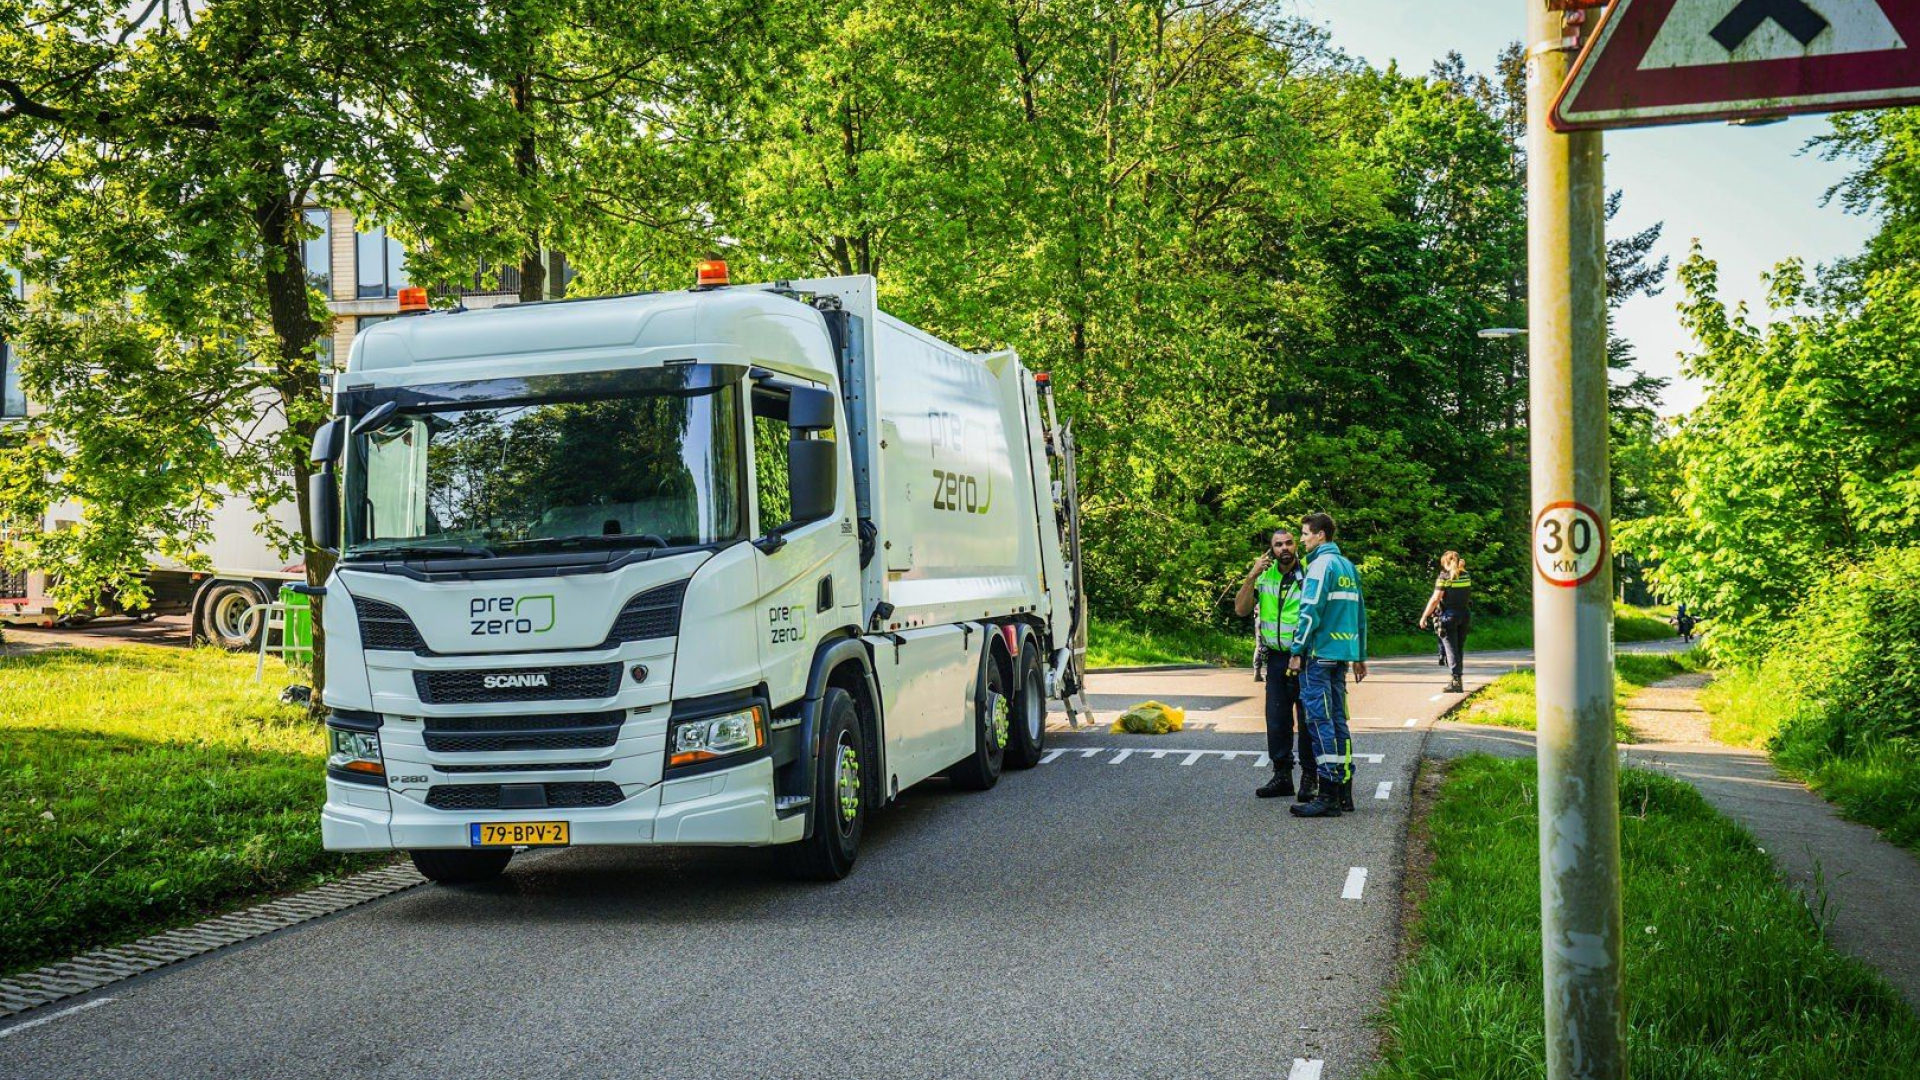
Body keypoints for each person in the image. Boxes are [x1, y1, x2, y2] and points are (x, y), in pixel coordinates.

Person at [1286, 513, 1368, 819]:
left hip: (1319, 656)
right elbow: (1359, 614)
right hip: (1341, 656)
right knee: (1338, 721)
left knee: (1320, 723)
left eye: (1306, 533)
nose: (1303, 539)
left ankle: (1328, 794)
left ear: (1320, 535)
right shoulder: (1348, 566)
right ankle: (1344, 789)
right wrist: (1359, 654)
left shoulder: (1320, 566)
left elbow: (1309, 611)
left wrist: (1297, 649)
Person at [1233, 529, 1316, 801]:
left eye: (1289, 543)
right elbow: (1241, 610)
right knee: (1277, 720)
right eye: (1278, 545)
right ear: (1270, 551)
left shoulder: (1308, 576)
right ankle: (1282, 776)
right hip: (1277, 658)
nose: (1284, 548)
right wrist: (1251, 575)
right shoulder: (1264, 577)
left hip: (1303, 657)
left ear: (1296, 546)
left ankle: (1309, 776)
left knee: (1306, 720)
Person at [1419, 551, 1472, 694]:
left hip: (1449, 616)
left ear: (1445, 562)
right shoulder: (1466, 575)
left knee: (1451, 648)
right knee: (1458, 648)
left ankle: (1456, 681)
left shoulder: (1444, 577)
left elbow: (1435, 599)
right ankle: (1457, 679)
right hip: (1465, 615)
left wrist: (1424, 617)